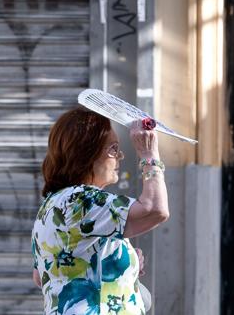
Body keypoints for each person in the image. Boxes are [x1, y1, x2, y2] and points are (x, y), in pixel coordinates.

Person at [31, 106, 169, 315]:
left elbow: (41, 276)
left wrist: (124, 263)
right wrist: (149, 155)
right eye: (113, 148)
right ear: (87, 153)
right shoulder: (82, 200)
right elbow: (155, 210)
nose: (120, 156)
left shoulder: (52, 205)